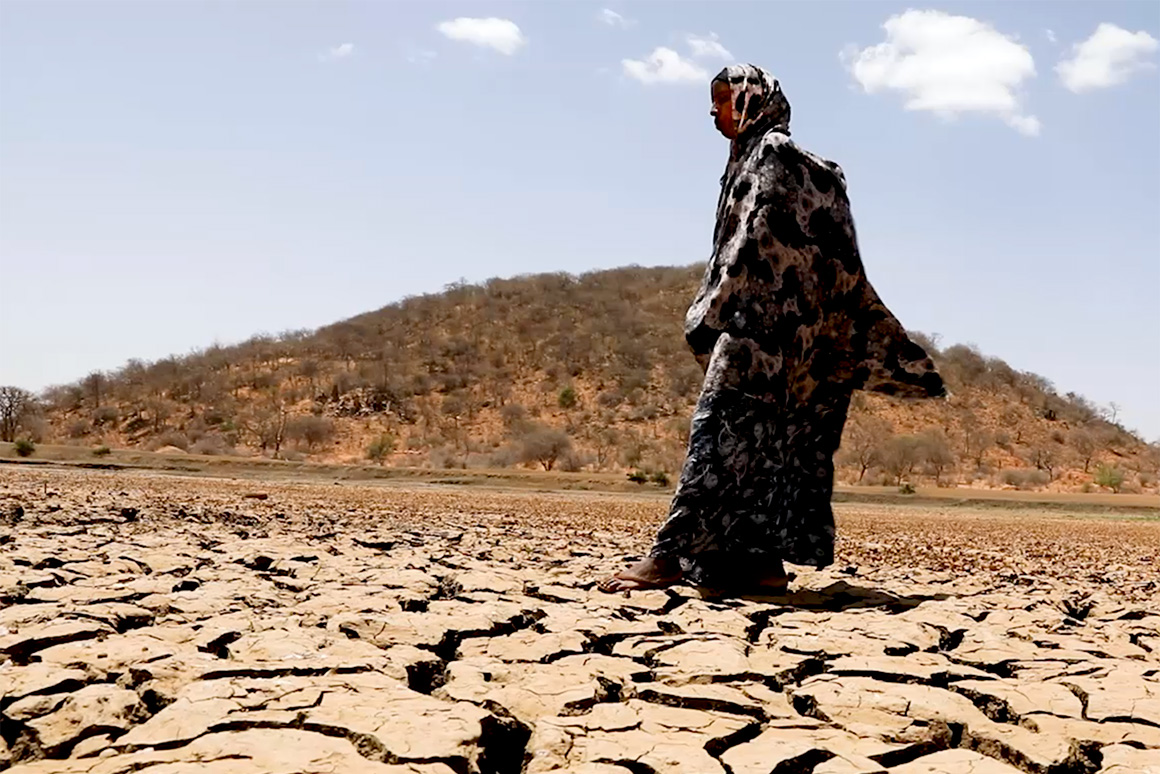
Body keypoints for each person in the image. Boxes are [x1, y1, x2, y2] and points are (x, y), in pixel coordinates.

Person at [598, 64, 946, 595]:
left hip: (757, 336)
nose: (713, 114)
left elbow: (755, 245)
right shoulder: (748, 163)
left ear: (749, 101)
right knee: (762, 452)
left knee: (716, 443)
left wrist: (712, 310)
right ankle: (760, 566)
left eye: (721, 101)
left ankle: (669, 556)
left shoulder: (774, 155)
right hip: (788, 345)